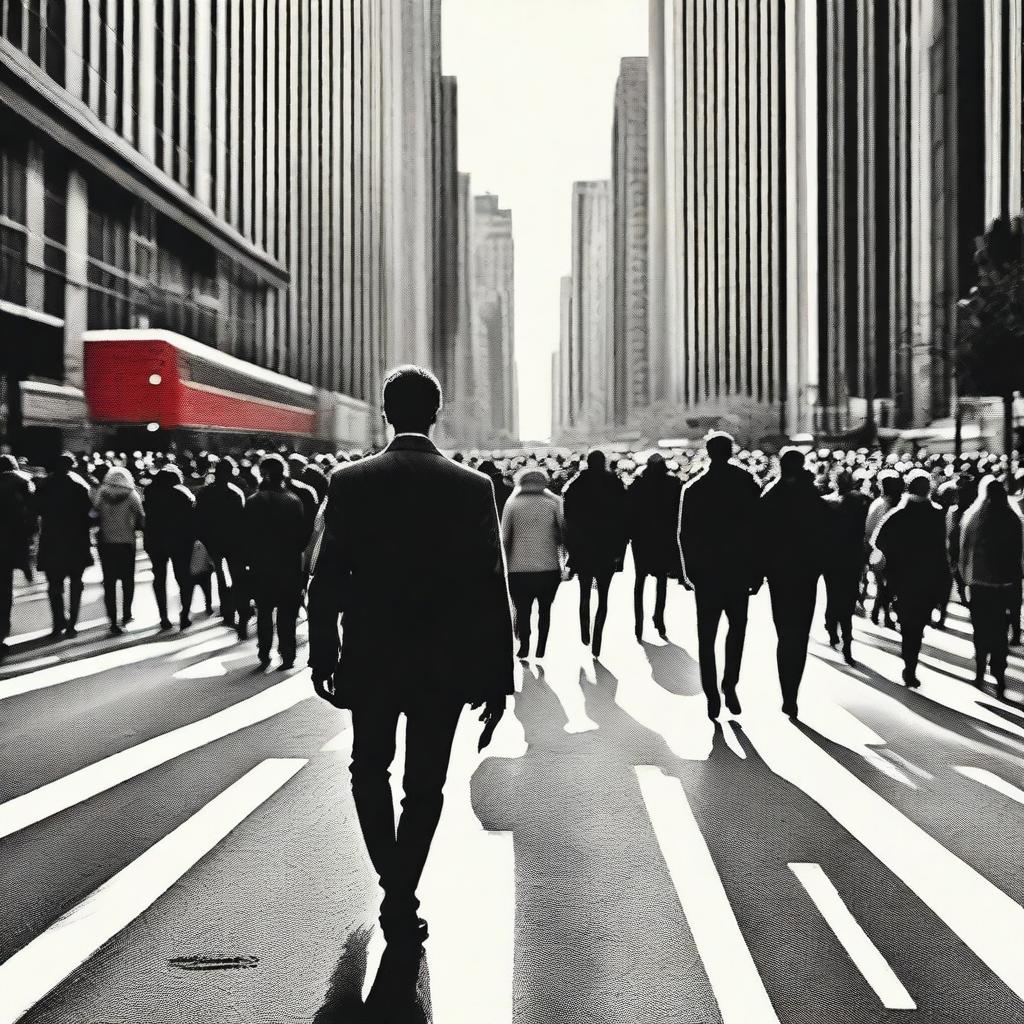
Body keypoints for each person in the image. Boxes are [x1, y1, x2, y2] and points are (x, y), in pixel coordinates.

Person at [307, 365, 513, 948]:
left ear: (385, 412)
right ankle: (402, 892)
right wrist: (498, 677)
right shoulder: (472, 488)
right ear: (436, 413)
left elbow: (328, 577)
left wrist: (324, 650)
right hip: (445, 662)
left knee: (367, 770)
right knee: (426, 785)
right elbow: (489, 587)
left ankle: (393, 886)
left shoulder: (350, 481)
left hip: (371, 655)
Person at [679, 432, 763, 719]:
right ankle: (730, 684)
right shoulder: (747, 483)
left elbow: (684, 535)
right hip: (738, 570)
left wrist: (689, 572)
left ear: (708, 452)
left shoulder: (694, 488)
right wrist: (757, 571)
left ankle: (711, 694)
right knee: (736, 630)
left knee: (707, 635)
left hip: (707, 572)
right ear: (731, 452)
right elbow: (757, 531)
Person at [759, 448, 830, 719]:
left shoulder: (771, 495)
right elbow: (826, 534)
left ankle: (787, 693)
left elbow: (760, 535)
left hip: (779, 575)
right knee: (799, 635)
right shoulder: (812, 496)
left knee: (784, 635)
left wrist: (760, 572)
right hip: (806, 574)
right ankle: (793, 694)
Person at [873, 469, 951, 688]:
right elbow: (942, 551)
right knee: (917, 625)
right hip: (928, 579)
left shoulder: (897, 515)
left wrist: (886, 573)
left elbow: (878, 543)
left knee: (909, 625)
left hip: (902, 579)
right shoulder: (936, 514)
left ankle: (909, 663)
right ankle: (911, 664)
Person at [959, 477, 1024, 697]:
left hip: (980, 583)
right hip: (1005, 584)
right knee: (999, 630)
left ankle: (979, 671)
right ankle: (999, 672)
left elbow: (964, 552)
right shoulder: (1014, 518)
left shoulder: (974, 517)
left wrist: (965, 580)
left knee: (981, 628)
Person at [243, 455, 310, 669]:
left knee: (263, 612)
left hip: (261, 566)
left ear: (262, 473)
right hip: (288, 565)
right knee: (287, 613)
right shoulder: (293, 502)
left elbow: (246, 537)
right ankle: (287, 654)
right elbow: (301, 539)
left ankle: (264, 653)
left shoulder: (253, 502)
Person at [562, 449, 628, 657]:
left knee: (583, 593)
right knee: (604, 596)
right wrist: (620, 551)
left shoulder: (575, 485)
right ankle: (597, 636)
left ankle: (585, 632)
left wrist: (570, 550)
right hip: (607, 548)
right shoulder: (614, 484)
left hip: (582, 547)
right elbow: (623, 521)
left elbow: (567, 521)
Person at [501, 466, 564, 659]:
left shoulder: (512, 503)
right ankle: (541, 647)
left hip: (518, 568)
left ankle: (525, 645)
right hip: (549, 568)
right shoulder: (554, 503)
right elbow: (563, 534)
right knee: (545, 610)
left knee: (523, 609)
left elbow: (504, 537)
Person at [34, 453, 93, 638]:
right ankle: (72, 625)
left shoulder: (44, 487)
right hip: (76, 541)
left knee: (54, 585)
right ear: (71, 467)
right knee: (76, 584)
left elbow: (36, 510)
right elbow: (89, 515)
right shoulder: (79, 487)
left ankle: (57, 622)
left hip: (52, 541)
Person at [627, 453, 683, 642]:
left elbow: (629, 512)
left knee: (639, 581)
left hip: (641, 538)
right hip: (664, 538)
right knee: (661, 580)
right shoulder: (673, 484)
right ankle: (659, 618)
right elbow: (679, 512)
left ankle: (638, 622)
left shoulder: (637, 485)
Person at [196, 457, 248, 633]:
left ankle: (227, 612)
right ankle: (236, 609)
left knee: (220, 577)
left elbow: (199, 519)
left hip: (214, 543)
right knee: (236, 578)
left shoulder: (204, 493)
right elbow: (243, 521)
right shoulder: (236, 493)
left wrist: (204, 539)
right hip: (234, 543)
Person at [824, 471, 870, 665]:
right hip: (852, 556)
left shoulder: (827, 502)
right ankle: (846, 640)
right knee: (848, 599)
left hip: (832, 557)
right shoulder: (862, 501)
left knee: (833, 595)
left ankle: (833, 629)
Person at [144, 465, 197, 630]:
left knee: (159, 579)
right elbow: (191, 518)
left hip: (156, 541)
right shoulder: (182, 494)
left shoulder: (149, 494)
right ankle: (184, 614)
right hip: (179, 541)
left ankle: (164, 617)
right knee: (183, 578)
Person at [93, 466, 145, 634]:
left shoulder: (102, 493)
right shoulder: (131, 495)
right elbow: (141, 518)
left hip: (106, 543)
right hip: (126, 543)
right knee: (127, 581)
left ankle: (112, 620)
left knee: (109, 582)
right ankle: (127, 614)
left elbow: (94, 513)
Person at [0, 455, 35, 655]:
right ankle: (2, 631)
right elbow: (30, 516)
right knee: (5, 591)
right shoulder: (23, 484)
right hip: (11, 544)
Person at [865, 470, 904, 628]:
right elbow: (870, 530)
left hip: (884, 552)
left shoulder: (883, 504)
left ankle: (878, 613)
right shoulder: (882, 505)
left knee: (886, 586)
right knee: (885, 586)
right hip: (881, 552)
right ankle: (883, 615)